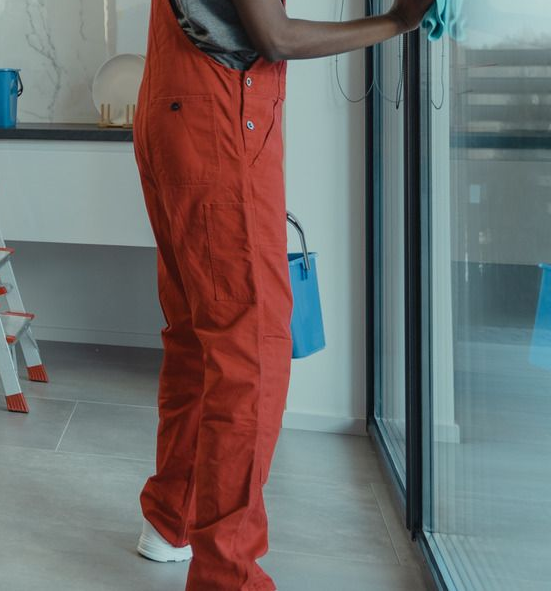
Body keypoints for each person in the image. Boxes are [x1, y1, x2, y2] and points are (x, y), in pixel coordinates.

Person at [132, 0, 432, 589]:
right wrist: (397, 21)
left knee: (199, 339)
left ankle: (173, 522)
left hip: (173, 110)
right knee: (252, 355)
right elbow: (277, 36)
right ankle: (229, 577)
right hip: (216, 118)